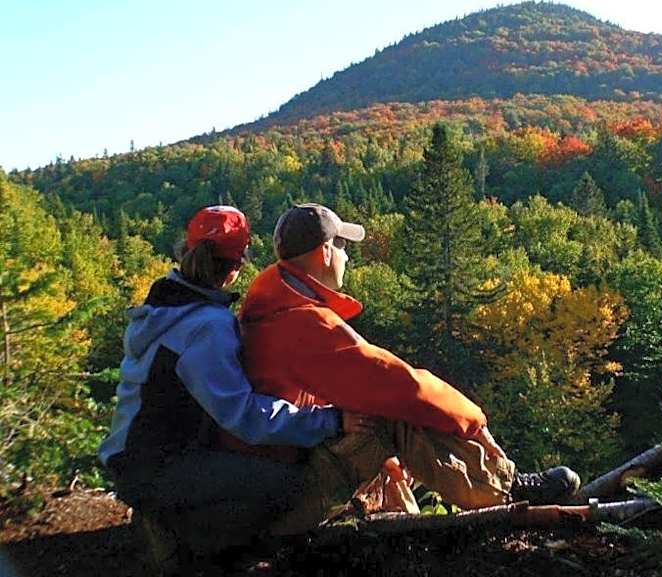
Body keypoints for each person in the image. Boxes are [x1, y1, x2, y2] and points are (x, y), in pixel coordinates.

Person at [229, 203, 580, 527]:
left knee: (373, 417)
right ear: (324, 252)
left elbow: (319, 399)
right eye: (343, 248)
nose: (347, 259)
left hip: (271, 483)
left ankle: (407, 515)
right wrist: (474, 423)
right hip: (282, 498)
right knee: (393, 412)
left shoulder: (274, 310)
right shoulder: (300, 322)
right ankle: (505, 489)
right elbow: (396, 383)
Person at [98, 206, 372, 573]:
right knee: (288, 487)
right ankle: (184, 544)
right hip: (157, 468)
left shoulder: (165, 306)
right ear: (238, 264)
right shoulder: (206, 326)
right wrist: (331, 422)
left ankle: (178, 523)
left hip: (133, 459)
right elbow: (243, 416)